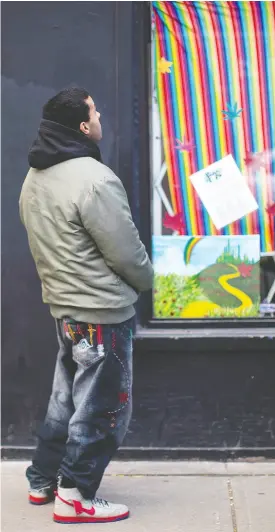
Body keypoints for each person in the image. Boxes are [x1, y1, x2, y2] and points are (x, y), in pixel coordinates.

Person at [19, 87, 154, 524]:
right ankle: (75, 494)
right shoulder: (93, 177)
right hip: (101, 314)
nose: (101, 117)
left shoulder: (35, 177)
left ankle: (43, 479)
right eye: (95, 111)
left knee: (66, 401)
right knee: (105, 408)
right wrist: (148, 281)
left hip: (66, 311)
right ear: (82, 126)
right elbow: (125, 250)